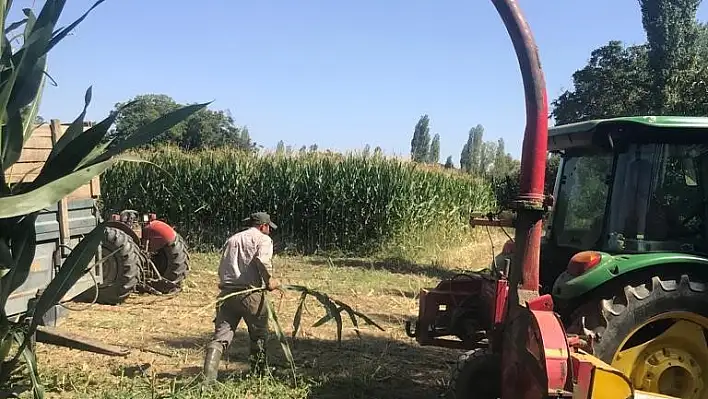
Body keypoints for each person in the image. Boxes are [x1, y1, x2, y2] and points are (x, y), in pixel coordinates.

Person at [202, 212, 281, 382]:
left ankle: (207, 381)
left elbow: (223, 266)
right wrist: (270, 280)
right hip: (251, 294)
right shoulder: (263, 239)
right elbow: (262, 260)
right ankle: (259, 376)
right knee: (259, 335)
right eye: (268, 228)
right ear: (263, 226)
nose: (269, 231)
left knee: (220, 338)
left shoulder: (233, 239)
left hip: (227, 295)